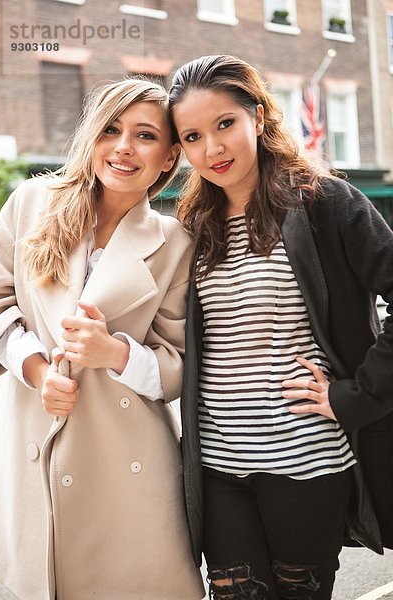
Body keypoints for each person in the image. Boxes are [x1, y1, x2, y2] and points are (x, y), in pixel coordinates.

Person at [169, 54, 393, 600]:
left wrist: (357, 396)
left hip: (306, 463)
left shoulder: (326, 203)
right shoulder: (189, 228)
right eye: (193, 136)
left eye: (226, 124)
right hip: (218, 468)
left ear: (259, 119)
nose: (213, 149)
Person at [0, 77, 205, 600]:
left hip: (127, 457)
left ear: (169, 155)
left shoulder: (174, 241)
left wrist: (115, 352)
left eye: (145, 135)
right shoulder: (30, 203)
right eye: (110, 129)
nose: (123, 148)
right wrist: (37, 371)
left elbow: (179, 364)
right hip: (34, 435)